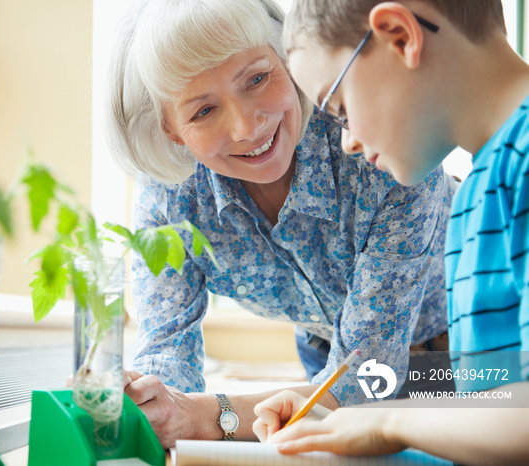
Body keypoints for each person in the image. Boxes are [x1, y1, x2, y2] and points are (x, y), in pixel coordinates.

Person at [106, 0, 455, 448]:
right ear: (172, 130)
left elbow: (370, 379)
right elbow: (166, 349)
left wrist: (210, 416)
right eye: (202, 111)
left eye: (256, 78)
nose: (246, 127)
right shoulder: (169, 194)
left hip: (460, 351)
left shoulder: (377, 145)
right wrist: (157, 404)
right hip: (324, 358)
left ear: (286, 59)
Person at [253, 1, 529, 464]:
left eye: (339, 109)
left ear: (401, 36)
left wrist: (388, 423)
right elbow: (496, 401)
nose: (347, 141)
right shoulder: (477, 196)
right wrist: (335, 416)